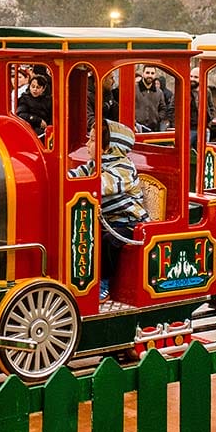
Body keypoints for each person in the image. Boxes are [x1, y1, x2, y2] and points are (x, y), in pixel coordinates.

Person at [69, 119, 148, 301]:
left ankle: (103, 282)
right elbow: (75, 175)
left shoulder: (123, 168)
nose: (87, 144)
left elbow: (99, 185)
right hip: (106, 220)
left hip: (130, 223)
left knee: (108, 241)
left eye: (93, 140)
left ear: (109, 147)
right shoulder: (94, 165)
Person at [134, 65, 172, 131]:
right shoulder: (134, 89)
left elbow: (163, 108)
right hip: (137, 128)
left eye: (152, 73)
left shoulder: (159, 92)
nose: (150, 75)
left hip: (153, 128)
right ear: (143, 74)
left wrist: (157, 118)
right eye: (147, 73)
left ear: (155, 75)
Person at [16, 73, 52, 138]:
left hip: (46, 130)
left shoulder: (48, 100)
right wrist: (37, 120)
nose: (35, 89)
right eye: (33, 86)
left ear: (43, 89)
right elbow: (20, 114)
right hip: (30, 129)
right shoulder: (24, 98)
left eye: (38, 87)